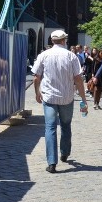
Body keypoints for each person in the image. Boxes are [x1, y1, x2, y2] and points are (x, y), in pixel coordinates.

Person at [31, 30, 88, 173]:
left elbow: (36, 77)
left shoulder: (43, 55)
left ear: (52, 41)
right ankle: (64, 152)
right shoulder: (71, 56)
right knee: (66, 125)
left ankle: (51, 162)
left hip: (49, 97)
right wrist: (83, 98)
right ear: (64, 41)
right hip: (67, 97)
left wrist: (37, 92)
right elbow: (78, 79)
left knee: (50, 128)